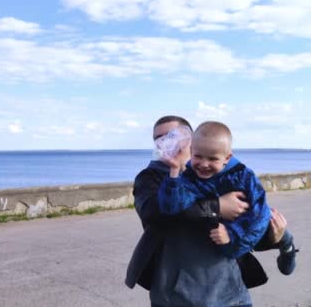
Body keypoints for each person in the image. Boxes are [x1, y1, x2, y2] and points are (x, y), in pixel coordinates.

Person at [125, 116, 291, 306]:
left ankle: (288, 248)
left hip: (229, 293)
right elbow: (153, 213)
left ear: (191, 138)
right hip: (172, 296)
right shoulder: (150, 177)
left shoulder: (227, 175)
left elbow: (247, 221)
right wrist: (216, 206)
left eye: (171, 136)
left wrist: (275, 237)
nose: (164, 142)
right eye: (158, 138)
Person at [158, 121, 298, 266]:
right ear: (191, 151)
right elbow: (173, 208)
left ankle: (287, 245)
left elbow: (259, 216)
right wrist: (174, 172)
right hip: (227, 239)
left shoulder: (243, 177)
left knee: (275, 229)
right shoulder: (189, 177)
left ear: (227, 158)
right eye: (198, 156)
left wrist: (231, 233)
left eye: (212, 159)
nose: (204, 164)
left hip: (258, 226)